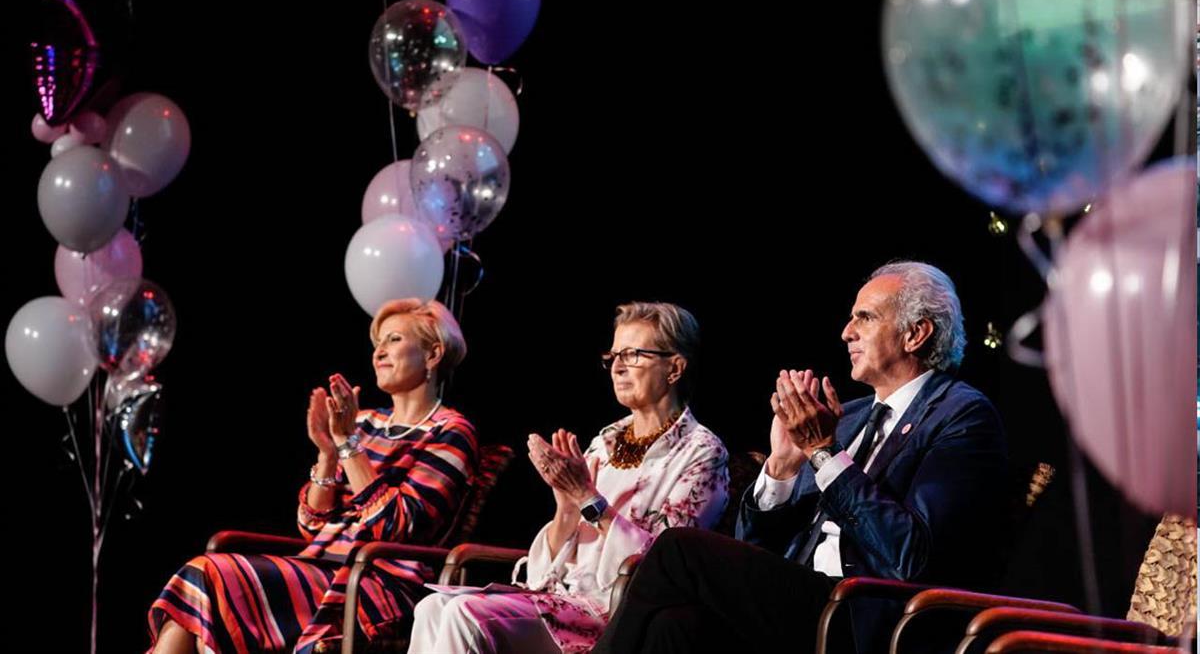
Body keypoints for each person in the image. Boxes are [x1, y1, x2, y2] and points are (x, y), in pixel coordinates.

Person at [594, 261, 1010, 654]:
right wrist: (781, 468)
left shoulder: (962, 416)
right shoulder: (849, 417)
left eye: (865, 317)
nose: (847, 332)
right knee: (675, 625)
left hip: (865, 612)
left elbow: (911, 556)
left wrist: (824, 453)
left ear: (916, 333)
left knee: (678, 550)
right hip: (803, 597)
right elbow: (752, 545)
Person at [148, 298, 478, 653]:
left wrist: (348, 445)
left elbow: (399, 525)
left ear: (433, 354)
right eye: (377, 343)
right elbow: (312, 525)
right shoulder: (364, 422)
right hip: (320, 565)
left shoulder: (451, 432)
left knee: (209, 577)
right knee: (204, 592)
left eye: (394, 340)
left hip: (377, 581)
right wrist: (327, 452)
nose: (379, 352)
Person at [408, 301, 729, 654]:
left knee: (464, 614)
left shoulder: (701, 452)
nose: (618, 367)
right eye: (614, 356)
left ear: (675, 368)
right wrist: (565, 508)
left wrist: (588, 499)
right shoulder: (605, 442)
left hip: (617, 613)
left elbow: (666, 565)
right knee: (432, 608)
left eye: (634, 354)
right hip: (562, 599)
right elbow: (544, 573)